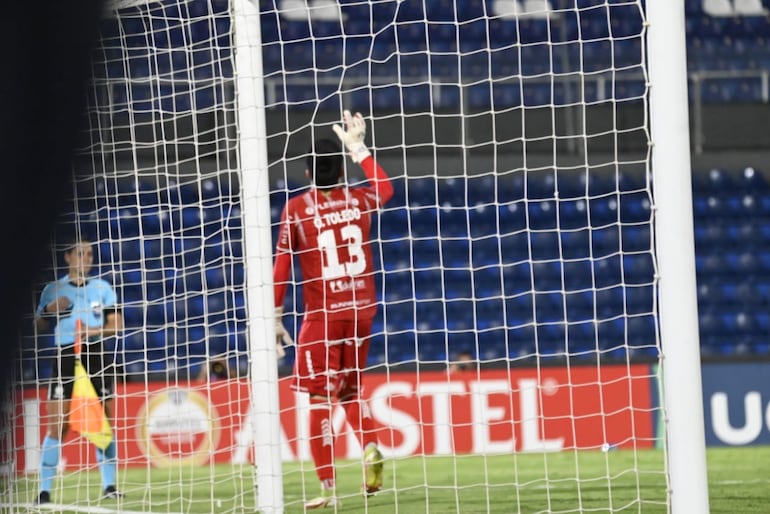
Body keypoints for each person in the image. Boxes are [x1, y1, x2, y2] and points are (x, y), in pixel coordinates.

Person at [273, 110, 394, 509]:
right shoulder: (359, 199)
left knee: (318, 399)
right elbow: (386, 187)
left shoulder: (296, 209)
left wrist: (275, 316)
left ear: (308, 172)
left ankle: (326, 488)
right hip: (362, 310)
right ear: (340, 170)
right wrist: (358, 147)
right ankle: (371, 448)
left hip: (323, 316)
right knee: (350, 391)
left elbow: (282, 266)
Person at [34, 237, 124, 504]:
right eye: (81, 254)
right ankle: (44, 490)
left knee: (105, 421)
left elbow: (117, 324)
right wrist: (50, 310)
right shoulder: (53, 289)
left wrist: (91, 331)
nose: (86, 259)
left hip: (96, 355)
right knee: (58, 425)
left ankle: (109, 487)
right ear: (68, 257)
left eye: (90, 255)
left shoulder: (103, 288)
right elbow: (38, 327)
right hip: (65, 356)